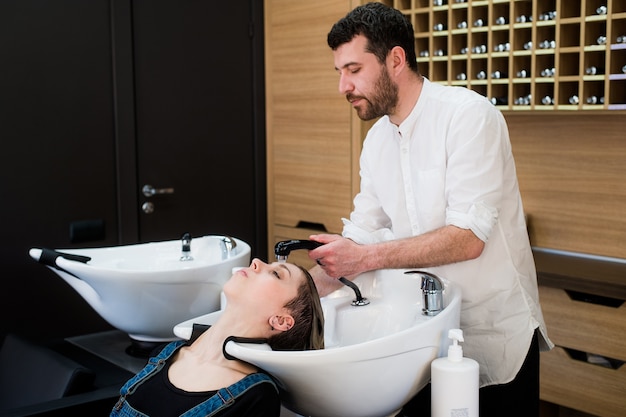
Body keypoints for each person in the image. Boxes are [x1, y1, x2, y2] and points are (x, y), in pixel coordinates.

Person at [306, 3, 553, 417]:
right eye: (339, 73)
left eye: (353, 69)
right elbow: (362, 233)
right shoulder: (377, 141)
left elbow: (468, 238)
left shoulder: (468, 117)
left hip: (491, 334)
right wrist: (293, 292)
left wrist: (364, 257)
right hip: (421, 338)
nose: (343, 86)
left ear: (396, 60)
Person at [110, 259, 324, 417]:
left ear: (281, 321)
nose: (256, 262)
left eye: (277, 274)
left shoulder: (256, 396)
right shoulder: (164, 355)